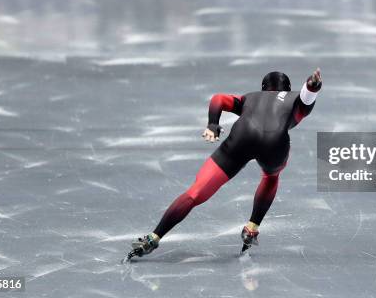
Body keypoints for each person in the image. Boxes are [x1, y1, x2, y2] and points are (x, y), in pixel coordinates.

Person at [128, 68, 322, 259]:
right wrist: (312, 85)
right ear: (287, 89)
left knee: (194, 193)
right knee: (271, 176)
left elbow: (218, 98)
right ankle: (252, 227)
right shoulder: (293, 99)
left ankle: (153, 238)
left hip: (241, 138)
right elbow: (307, 97)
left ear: (263, 89)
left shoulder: (250, 98)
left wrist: (213, 123)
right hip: (275, 145)